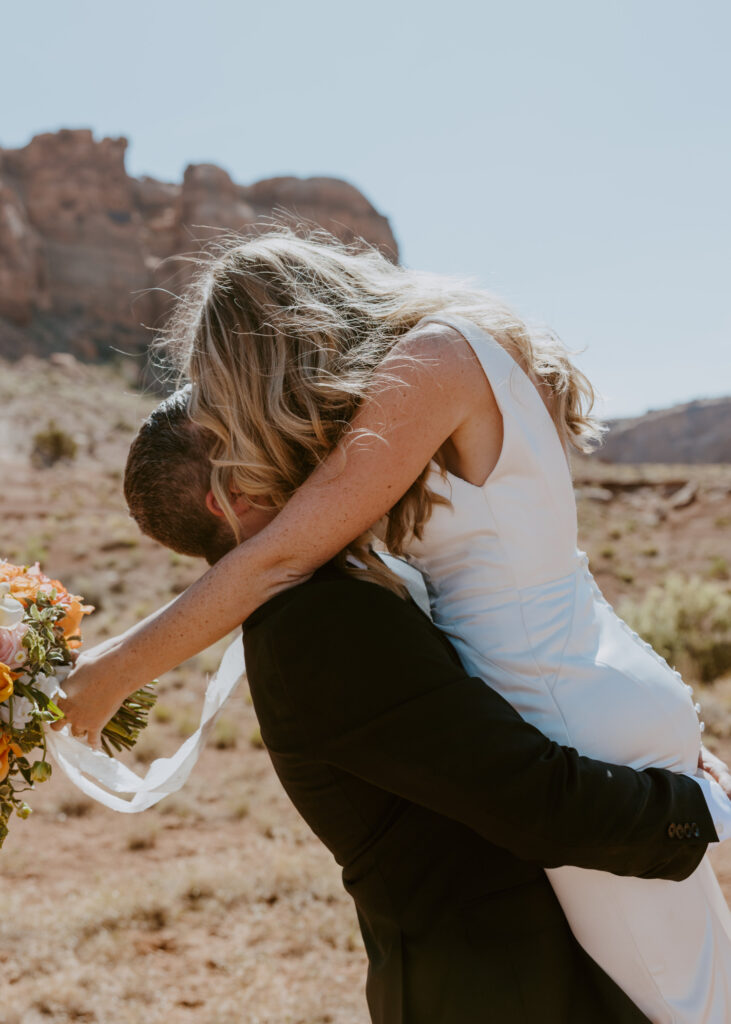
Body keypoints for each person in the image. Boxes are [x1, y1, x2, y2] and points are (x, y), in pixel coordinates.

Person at [55, 227, 731, 1021]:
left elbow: (273, 558)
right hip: (586, 670)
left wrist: (106, 678)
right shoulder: (451, 363)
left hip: (556, 705)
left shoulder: (427, 368)